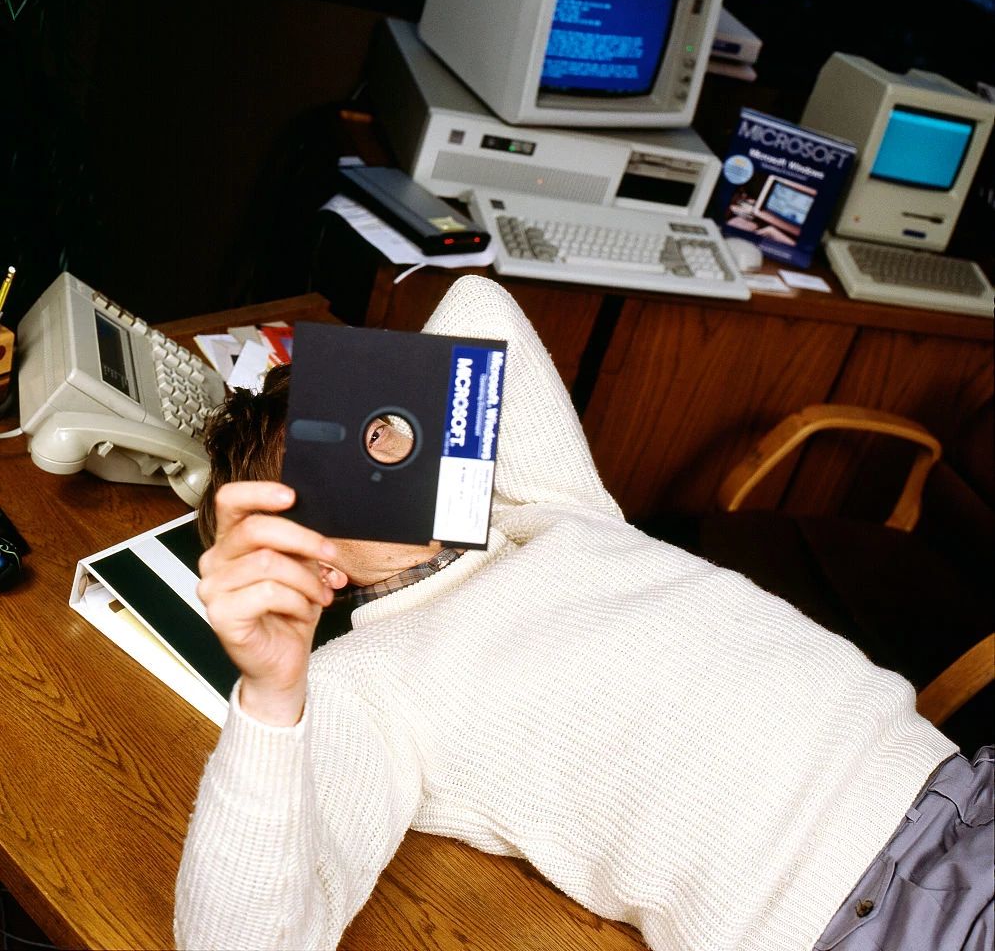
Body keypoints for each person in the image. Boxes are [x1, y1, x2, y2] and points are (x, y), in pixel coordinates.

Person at [175, 276, 993, 951]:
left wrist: (363, 387)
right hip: (873, 916)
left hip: (962, 786)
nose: (387, 449)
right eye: (341, 469)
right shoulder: (368, 683)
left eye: (380, 429)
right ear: (311, 558)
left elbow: (476, 304)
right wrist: (269, 698)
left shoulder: (550, 511)